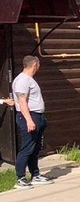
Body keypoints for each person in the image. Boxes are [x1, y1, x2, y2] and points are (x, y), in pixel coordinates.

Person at [12, 55, 52, 189]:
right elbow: (22, 101)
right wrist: (29, 120)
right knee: (27, 147)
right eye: (38, 64)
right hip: (29, 117)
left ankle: (35, 175)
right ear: (35, 64)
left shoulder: (29, 80)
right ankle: (20, 178)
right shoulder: (22, 80)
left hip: (37, 116)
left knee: (35, 148)